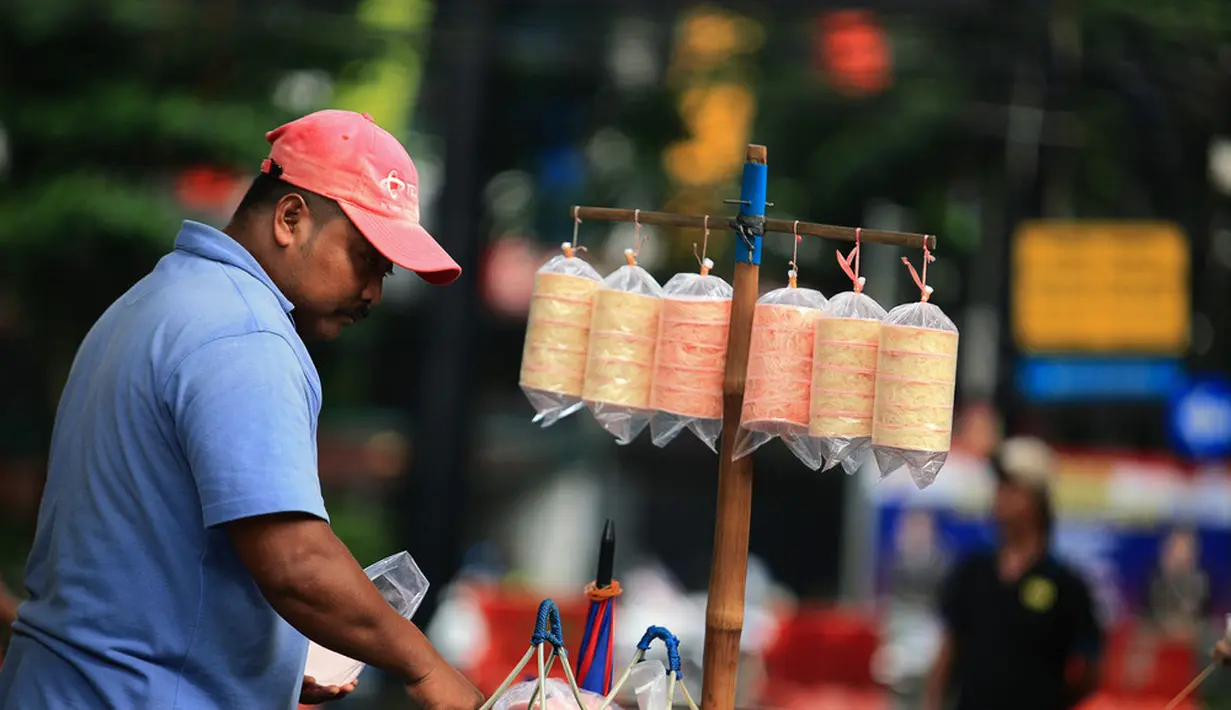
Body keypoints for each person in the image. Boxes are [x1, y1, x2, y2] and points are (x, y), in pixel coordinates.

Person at [0, 109, 484, 710]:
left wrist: (264, 660)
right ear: (290, 218)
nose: (374, 292)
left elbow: (145, 554)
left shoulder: (153, 300)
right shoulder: (246, 335)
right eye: (365, 257)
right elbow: (296, 563)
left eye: (385, 271)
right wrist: (428, 671)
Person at [922, 437, 1104, 710]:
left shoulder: (1066, 584)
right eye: (999, 486)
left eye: (1011, 487)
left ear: (1037, 500)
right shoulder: (973, 571)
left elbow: (1091, 666)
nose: (999, 495)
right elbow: (947, 651)